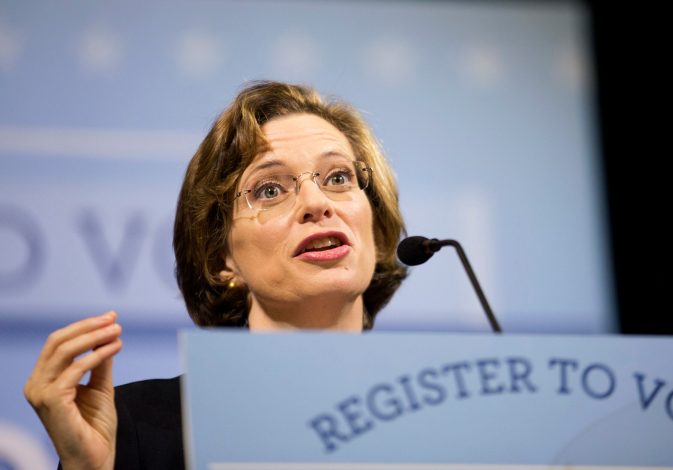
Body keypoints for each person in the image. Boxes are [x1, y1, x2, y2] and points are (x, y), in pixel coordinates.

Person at [23, 81, 408, 469]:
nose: (316, 202)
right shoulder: (134, 430)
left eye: (338, 178)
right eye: (270, 189)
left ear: (374, 229)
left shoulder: (445, 414)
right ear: (223, 259)